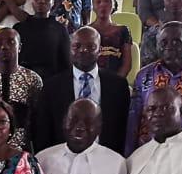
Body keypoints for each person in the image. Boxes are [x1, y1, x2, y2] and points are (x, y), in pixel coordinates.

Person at [32, 25, 130, 155]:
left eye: (91, 46)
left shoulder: (118, 86)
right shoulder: (52, 87)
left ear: (100, 50)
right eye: (77, 46)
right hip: (62, 160)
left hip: (106, 159)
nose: (83, 50)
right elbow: (43, 131)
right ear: (70, 49)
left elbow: (123, 129)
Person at [125, 22, 182, 154]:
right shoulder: (144, 76)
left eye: (176, 42)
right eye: (163, 42)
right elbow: (133, 119)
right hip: (148, 153)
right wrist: (128, 155)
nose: (169, 47)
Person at [14, 0, 72, 79]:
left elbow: (66, 64)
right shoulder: (19, 28)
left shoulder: (60, 29)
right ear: (32, 0)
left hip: (52, 83)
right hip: (24, 82)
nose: (41, 1)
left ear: (53, 2)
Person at [89, 0, 134, 79]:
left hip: (116, 82)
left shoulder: (123, 30)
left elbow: (126, 65)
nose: (103, 5)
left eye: (107, 1)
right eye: (98, 2)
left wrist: (114, 84)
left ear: (114, 4)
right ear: (93, 6)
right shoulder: (86, 31)